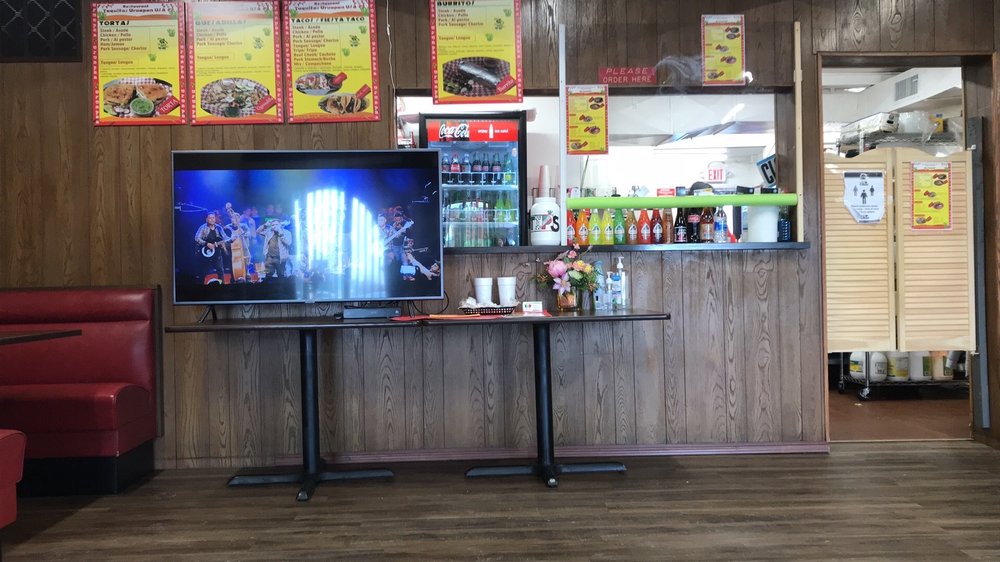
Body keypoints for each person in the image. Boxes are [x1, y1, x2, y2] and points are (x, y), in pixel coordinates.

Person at [194, 211, 228, 284]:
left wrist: (232, 238)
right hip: (205, 253)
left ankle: (223, 286)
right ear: (206, 219)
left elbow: (225, 238)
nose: (212, 219)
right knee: (203, 272)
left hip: (217, 253)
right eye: (210, 218)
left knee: (220, 270)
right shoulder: (203, 227)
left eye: (213, 218)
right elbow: (197, 238)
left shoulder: (219, 228)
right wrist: (206, 244)